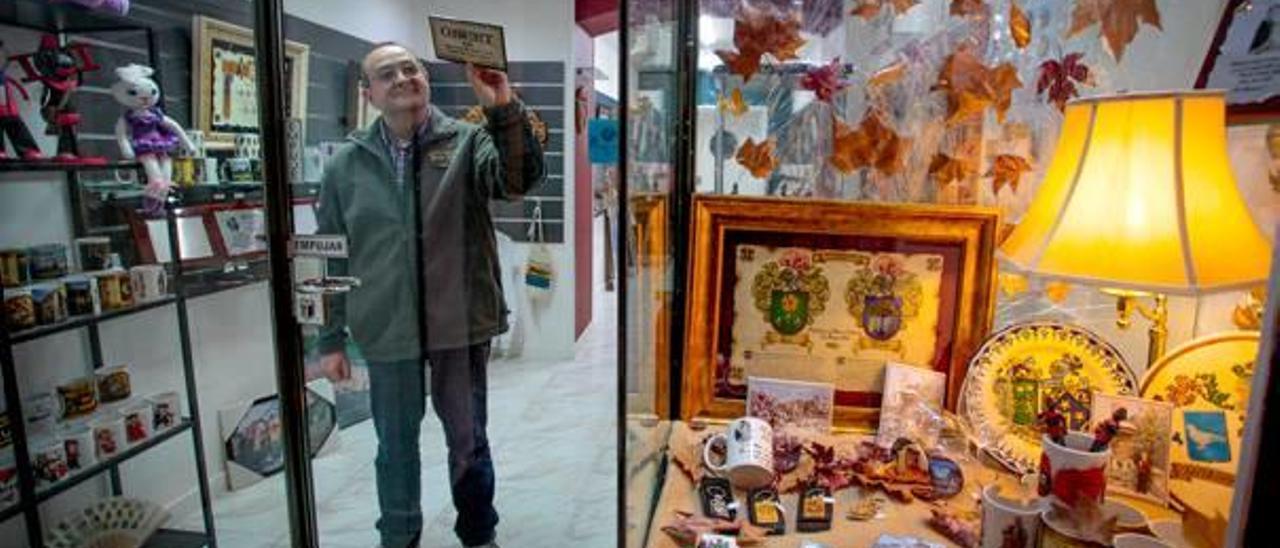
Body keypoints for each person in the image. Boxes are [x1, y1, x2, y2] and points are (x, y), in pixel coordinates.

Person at [315, 41, 544, 548]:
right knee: (394, 446)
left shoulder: (468, 141)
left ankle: (479, 536)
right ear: (368, 93)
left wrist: (502, 107)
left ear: (426, 79)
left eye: (410, 68)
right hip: (385, 325)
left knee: (467, 443)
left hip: (458, 322)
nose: (401, 78)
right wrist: (330, 337)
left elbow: (515, 180)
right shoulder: (343, 168)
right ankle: (399, 537)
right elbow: (333, 257)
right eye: (386, 73)